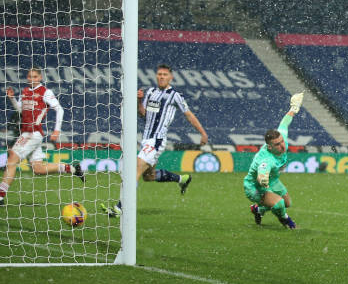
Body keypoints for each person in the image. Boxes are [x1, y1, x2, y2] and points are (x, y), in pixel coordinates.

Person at [100, 64, 208, 217]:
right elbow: (143, 114)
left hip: (157, 140)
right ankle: (182, 179)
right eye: (159, 74)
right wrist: (139, 101)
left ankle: (119, 209)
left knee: (135, 170)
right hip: (146, 139)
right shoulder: (150, 92)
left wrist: (202, 133)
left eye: (165, 74)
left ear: (171, 77)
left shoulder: (175, 95)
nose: (161, 77)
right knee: (148, 176)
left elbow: (189, 115)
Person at [0, 67, 84, 205]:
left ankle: (0, 196)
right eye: (29, 76)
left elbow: (59, 109)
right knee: (38, 169)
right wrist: (12, 99)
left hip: (33, 132)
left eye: (34, 76)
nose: (31, 79)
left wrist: (57, 130)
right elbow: (21, 110)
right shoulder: (25, 92)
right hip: (27, 132)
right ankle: (71, 168)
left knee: (12, 160)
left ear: (39, 78)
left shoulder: (45, 92)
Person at [245, 92, 304, 229]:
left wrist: (293, 109)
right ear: (270, 147)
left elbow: (284, 124)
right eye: (277, 144)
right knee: (279, 204)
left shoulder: (281, 140)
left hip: (272, 180)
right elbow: (262, 170)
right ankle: (288, 223)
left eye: (281, 142)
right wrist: (263, 179)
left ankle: (258, 210)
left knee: (287, 203)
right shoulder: (266, 158)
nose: (282, 145)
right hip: (254, 186)